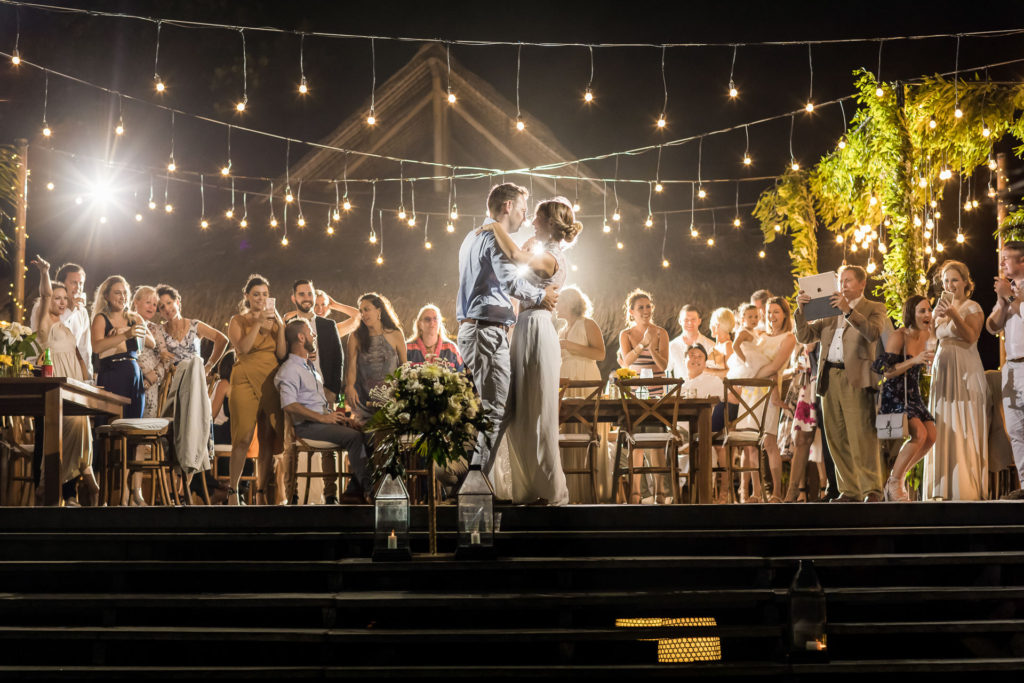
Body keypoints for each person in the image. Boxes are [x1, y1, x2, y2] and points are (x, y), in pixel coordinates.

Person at [480, 197, 578, 506]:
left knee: (537, 410)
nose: (531, 223)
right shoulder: (542, 251)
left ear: (550, 222)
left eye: (536, 218)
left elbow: (513, 255)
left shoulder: (551, 258)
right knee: (517, 409)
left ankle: (549, 488)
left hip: (537, 330)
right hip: (523, 328)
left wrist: (495, 225)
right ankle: (516, 484)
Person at [456, 182, 558, 480]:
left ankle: (476, 478)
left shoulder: (471, 237)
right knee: (495, 410)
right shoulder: (492, 239)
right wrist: (542, 296)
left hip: (476, 329)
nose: (526, 219)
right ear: (508, 206)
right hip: (485, 331)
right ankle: (472, 483)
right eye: (524, 210)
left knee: (500, 408)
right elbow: (510, 283)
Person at [796, 265, 888, 502]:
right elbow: (806, 337)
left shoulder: (873, 308)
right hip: (830, 377)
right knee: (836, 437)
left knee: (862, 435)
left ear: (862, 284)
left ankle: (872, 490)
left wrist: (849, 312)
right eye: (840, 282)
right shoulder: (829, 311)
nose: (842, 286)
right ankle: (850, 490)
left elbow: (874, 334)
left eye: (847, 281)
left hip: (855, 377)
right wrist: (800, 311)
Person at [276, 319, 371, 504]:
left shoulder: (309, 367)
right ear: (301, 337)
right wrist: (323, 418)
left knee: (367, 432)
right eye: (311, 332)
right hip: (308, 427)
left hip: (321, 421)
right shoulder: (289, 369)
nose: (314, 335)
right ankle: (368, 491)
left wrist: (341, 419)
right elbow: (289, 405)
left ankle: (356, 489)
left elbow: (318, 403)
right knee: (354, 438)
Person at [30, 256, 95, 506]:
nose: (61, 301)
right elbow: (46, 296)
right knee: (50, 435)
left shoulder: (74, 318)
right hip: (52, 378)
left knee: (79, 426)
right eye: (58, 297)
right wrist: (45, 273)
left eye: (64, 299)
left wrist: (86, 380)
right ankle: (46, 488)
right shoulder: (44, 317)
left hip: (74, 380)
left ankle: (72, 484)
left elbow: (83, 352)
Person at [925, 260, 990, 501]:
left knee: (963, 422)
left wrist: (953, 314)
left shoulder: (973, 307)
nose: (950, 285)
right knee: (943, 422)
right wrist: (933, 320)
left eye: (954, 280)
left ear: (965, 282)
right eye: (945, 281)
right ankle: (941, 488)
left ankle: (965, 488)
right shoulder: (939, 309)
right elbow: (931, 342)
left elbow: (971, 336)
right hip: (943, 369)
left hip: (964, 367)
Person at [282, 280, 345, 504]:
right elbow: (280, 358)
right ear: (294, 298)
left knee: (330, 446)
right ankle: (291, 495)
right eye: (302, 294)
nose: (306, 297)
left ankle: (331, 495)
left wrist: (333, 392)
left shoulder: (328, 326)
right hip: (296, 395)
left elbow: (338, 360)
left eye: (309, 293)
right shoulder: (287, 325)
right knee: (290, 443)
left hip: (325, 393)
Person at [226, 274, 287, 505]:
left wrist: (279, 328)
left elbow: (281, 354)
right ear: (247, 297)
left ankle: (261, 492)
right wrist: (258, 323)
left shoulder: (275, 321)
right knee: (242, 437)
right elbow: (242, 348)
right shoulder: (237, 320)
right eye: (256, 295)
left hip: (271, 379)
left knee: (268, 437)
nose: (261, 299)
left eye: (264, 294)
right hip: (244, 378)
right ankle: (233, 491)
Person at [872, 295, 936, 501]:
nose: (928, 314)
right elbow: (887, 372)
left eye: (929, 310)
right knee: (919, 434)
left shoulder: (929, 334)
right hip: (895, 394)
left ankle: (897, 479)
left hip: (913, 393)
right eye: (922, 311)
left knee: (932, 436)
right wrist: (914, 360)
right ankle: (894, 482)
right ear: (911, 314)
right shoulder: (899, 335)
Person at [750, 296, 797, 503]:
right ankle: (756, 492)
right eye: (768, 312)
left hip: (769, 392)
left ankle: (777, 492)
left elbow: (775, 366)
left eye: (776, 312)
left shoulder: (788, 337)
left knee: (769, 442)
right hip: (750, 394)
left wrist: (749, 377)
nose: (772, 316)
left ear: (785, 314)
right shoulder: (759, 336)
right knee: (750, 443)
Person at [986, 241, 1024, 499]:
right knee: (1017, 431)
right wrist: (1002, 302)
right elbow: (991, 327)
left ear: (1022, 262)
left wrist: (1010, 296)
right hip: (1011, 367)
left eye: (1007, 259)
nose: (1002, 264)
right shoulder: (1008, 291)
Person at [345, 293, 406, 424]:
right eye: (361, 311)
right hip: (365, 400)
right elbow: (351, 367)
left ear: (379, 311)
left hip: (392, 401)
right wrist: (350, 386)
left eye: (367, 309)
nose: (363, 314)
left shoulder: (395, 334)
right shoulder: (355, 337)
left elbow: (404, 366)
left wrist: (403, 395)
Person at [156, 284, 229, 375]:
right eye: (162, 307)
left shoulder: (194, 325)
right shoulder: (159, 331)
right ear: (160, 313)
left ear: (177, 303)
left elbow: (222, 339)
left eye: (169, 303)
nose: (166, 308)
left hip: (194, 378)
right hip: (170, 382)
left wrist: (208, 367)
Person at [617, 289, 670, 396]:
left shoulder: (661, 333)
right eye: (641, 307)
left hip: (658, 392)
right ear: (632, 312)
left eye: (648, 306)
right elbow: (627, 362)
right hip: (635, 392)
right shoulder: (626, 334)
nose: (646, 311)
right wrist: (642, 344)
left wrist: (652, 350)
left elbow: (663, 366)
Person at [406, 304, 464, 371]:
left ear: (440, 323)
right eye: (427, 319)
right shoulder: (407, 348)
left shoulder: (451, 348)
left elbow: (461, 374)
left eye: (435, 319)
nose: (432, 322)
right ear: (419, 324)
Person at [667, 305, 716, 378]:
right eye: (686, 320)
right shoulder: (672, 346)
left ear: (699, 321)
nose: (690, 323)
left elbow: (714, 373)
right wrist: (672, 388)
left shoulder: (711, 345)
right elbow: (666, 371)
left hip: (704, 388)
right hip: (680, 388)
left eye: (693, 320)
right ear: (680, 321)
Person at [707, 307, 736, 374]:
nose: (710, 327)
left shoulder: (728, 346)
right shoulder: (715, 347)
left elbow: (731, 373)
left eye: (711, 323)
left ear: (717, 325)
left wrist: (707, 371)